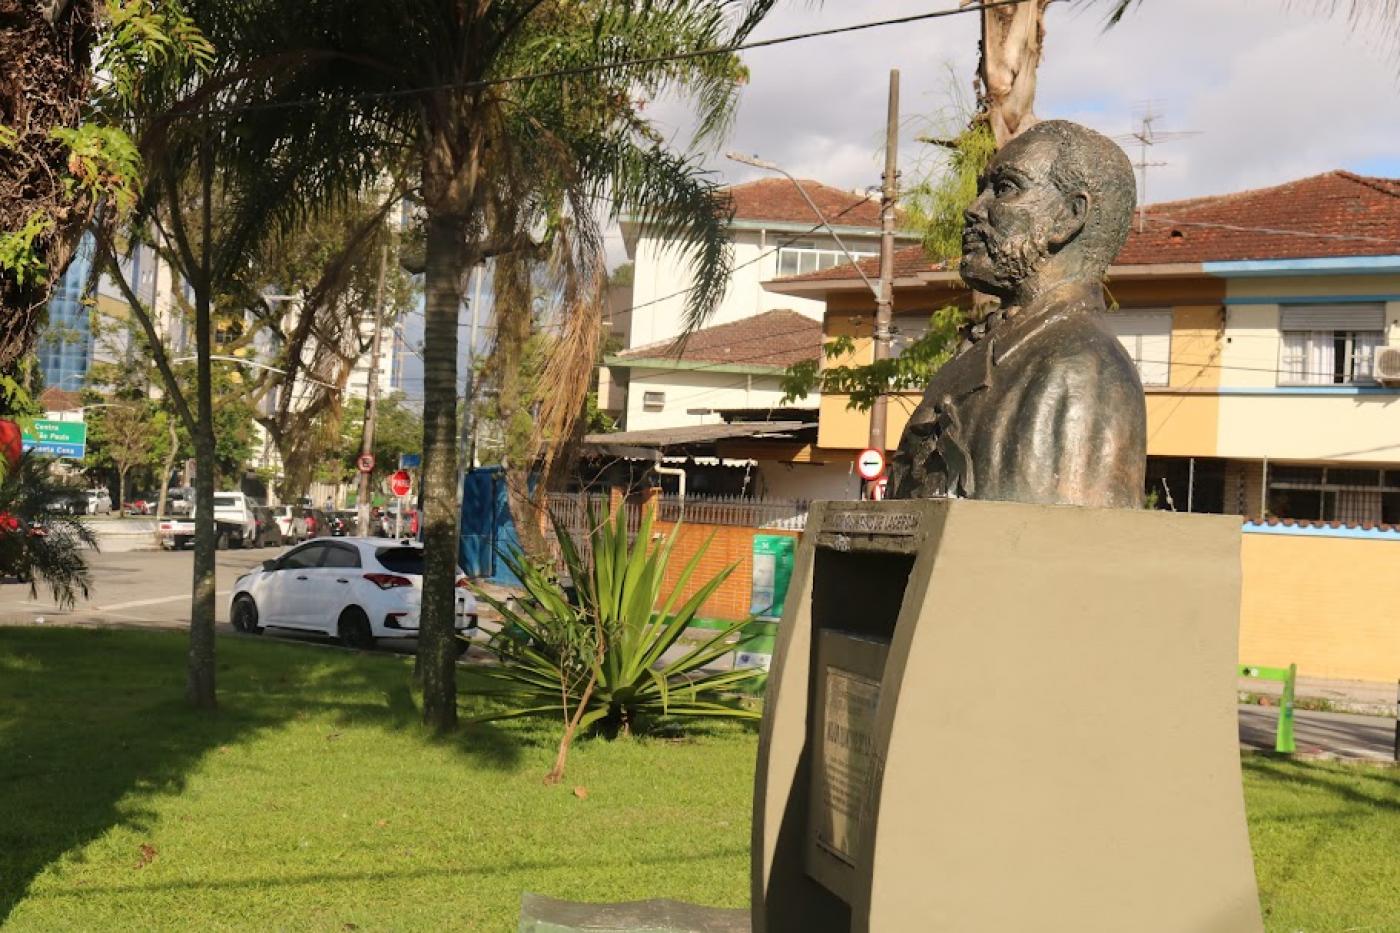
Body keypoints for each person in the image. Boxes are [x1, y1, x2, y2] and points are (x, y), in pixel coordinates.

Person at [888, 120, 1145, 509]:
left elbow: (1044, 551)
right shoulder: (996, 348)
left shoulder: (1079, 368)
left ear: (1068, 217)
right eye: (982, 190)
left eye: (1006, 188)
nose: (974, 209)